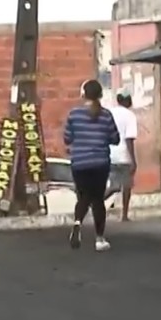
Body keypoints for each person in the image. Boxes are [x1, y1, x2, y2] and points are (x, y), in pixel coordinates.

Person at [64, 79, 120, 251]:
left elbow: (67, 138)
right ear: (100, 95)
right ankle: (99, 239)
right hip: (100, 163)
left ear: (83, 94)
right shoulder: (106, 115)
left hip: (79, 163)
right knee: (97, 200)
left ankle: (77, 223)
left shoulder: (74, 114)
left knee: (83, 197)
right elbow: (115, 139)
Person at [109, 89, 138, 222]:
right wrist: (133, 159)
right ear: (127, 100)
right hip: (123, 155)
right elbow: (129, 139)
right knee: (126, 186)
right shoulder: (129, 115)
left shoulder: (110, 113)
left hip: (110, 154)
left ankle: (94, 202)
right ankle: (124, 215)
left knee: (114, 186)